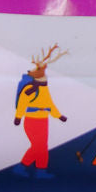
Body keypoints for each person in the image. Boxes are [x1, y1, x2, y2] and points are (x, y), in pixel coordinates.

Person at [13, 44, 68, 178]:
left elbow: (49, 104)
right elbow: (22, 103)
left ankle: (40, 170)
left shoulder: (44, 88)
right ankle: (22, 167)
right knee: (38, 146)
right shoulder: (29, 89)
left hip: (43, 120)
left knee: (43, 146)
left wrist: (58, 115)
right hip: (32, 120)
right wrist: (18, 117)